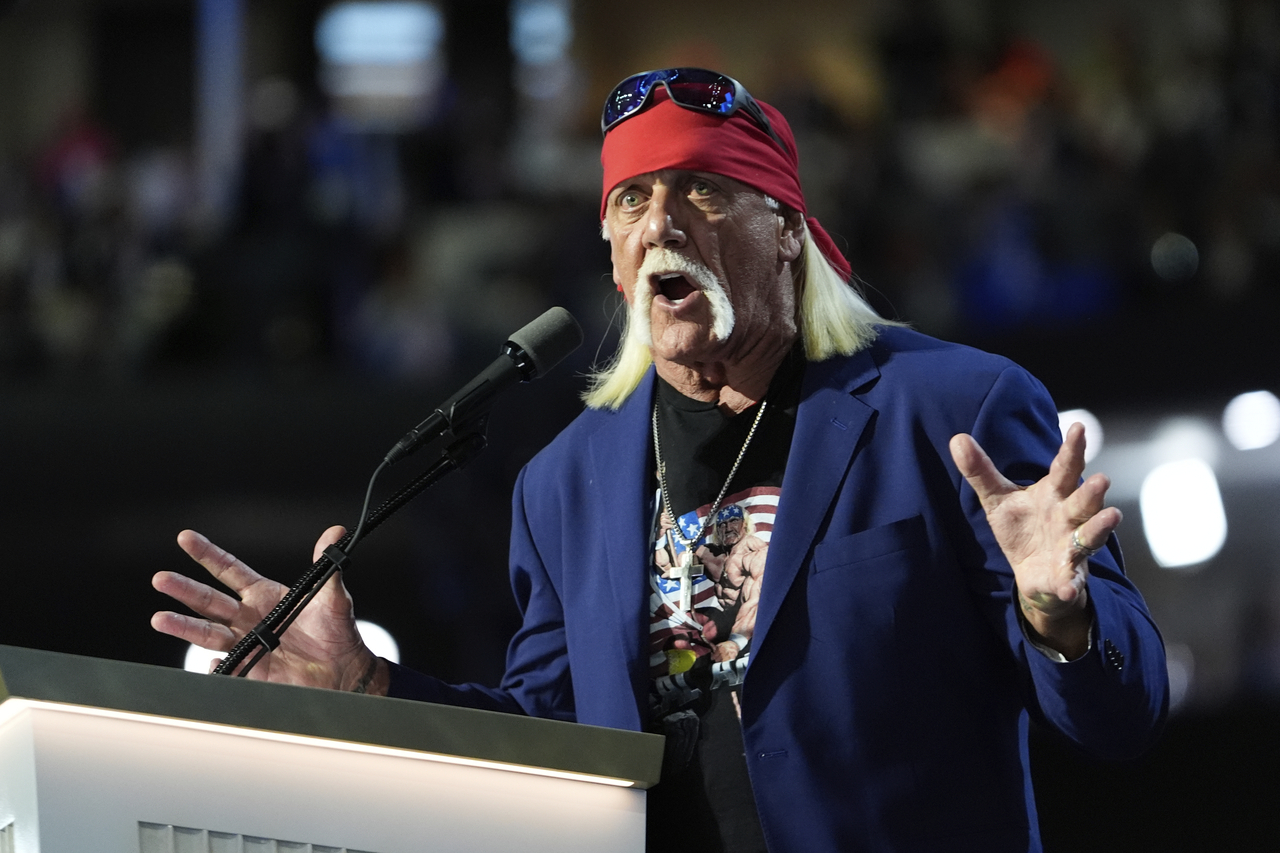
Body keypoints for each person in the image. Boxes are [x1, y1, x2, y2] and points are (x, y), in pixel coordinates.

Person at [152, 68, 1168, 852]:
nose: (660, 224)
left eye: (703, 192)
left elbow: (1123, 718)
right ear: (608, 247)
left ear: (785, 233)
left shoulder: (949, 410)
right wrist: (371, 687)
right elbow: (549, 744)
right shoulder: (566, 483)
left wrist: (1057, 615)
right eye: (631, 199)